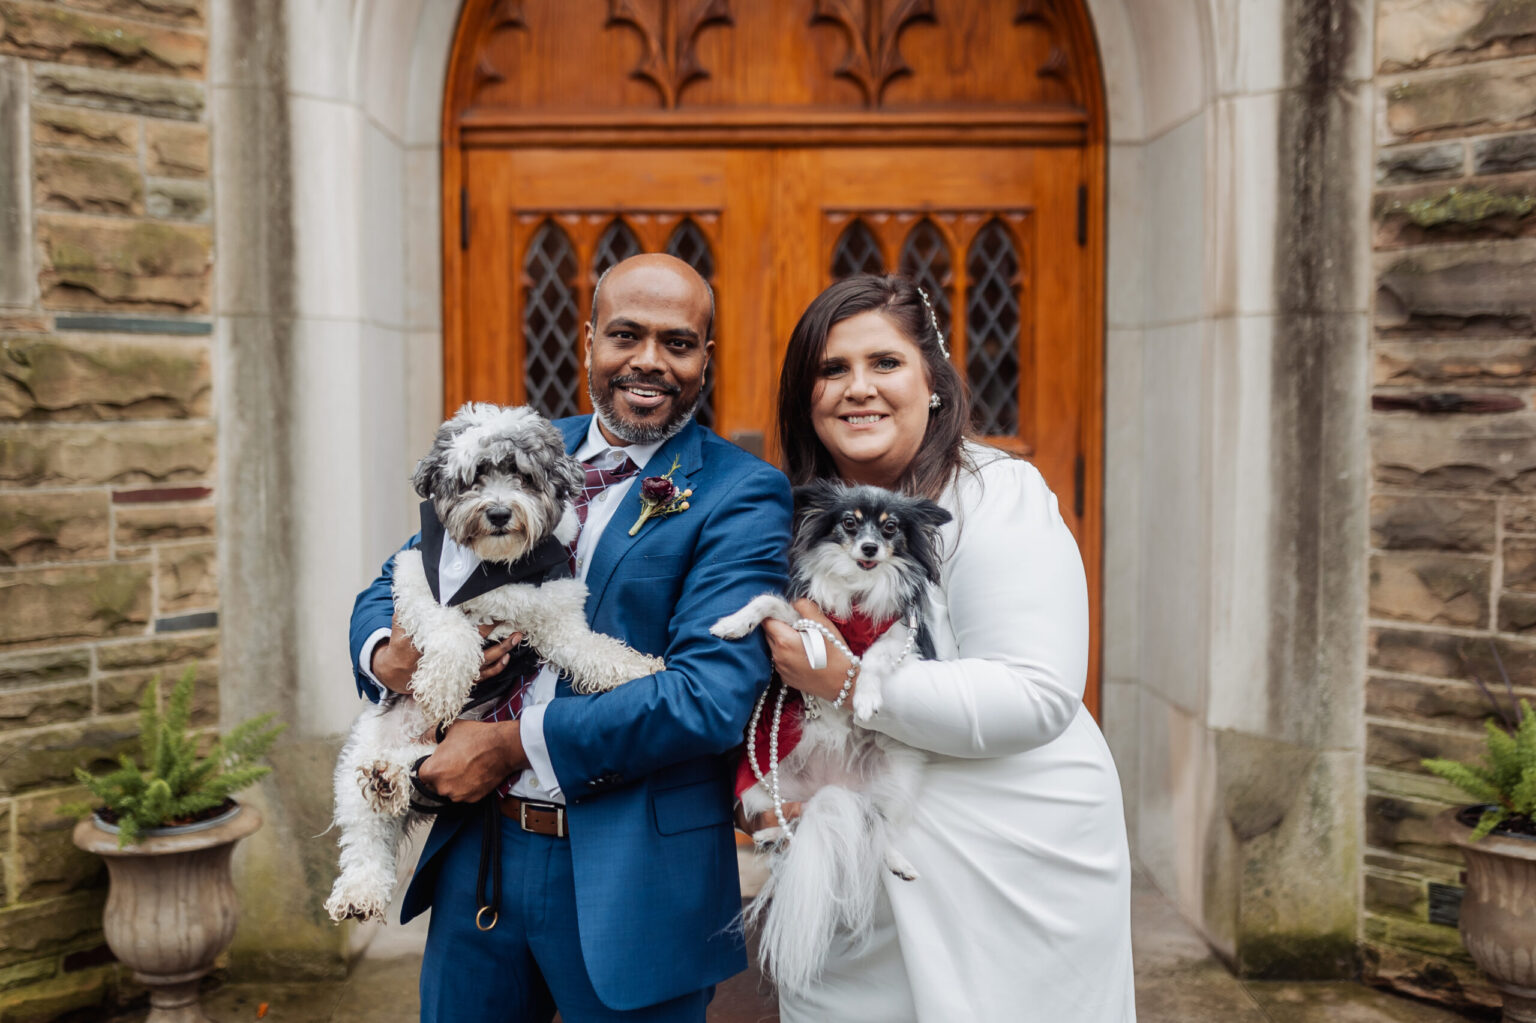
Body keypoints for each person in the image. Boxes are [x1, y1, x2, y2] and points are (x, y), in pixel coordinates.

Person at [347, 254, 792, 1022]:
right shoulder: (513, 445)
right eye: (626, 334)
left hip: (636, 879)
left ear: (705, 358)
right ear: (587, 341)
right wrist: (389, 656)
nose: (649, 360)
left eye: (677, 342)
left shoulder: (742, 492)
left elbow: (708, 697)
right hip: (477, 856)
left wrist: (514, 744)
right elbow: (396, 576)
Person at [752, 273, 1136, 1021]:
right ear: (806, 396)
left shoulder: (996, 494)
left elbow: (1035, 693)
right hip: (856, 888)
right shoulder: (792, 518)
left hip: (1008, 866)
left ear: (933, 380)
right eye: (832, 369)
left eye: (884, 363)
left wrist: (847, 679)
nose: (857, 388)